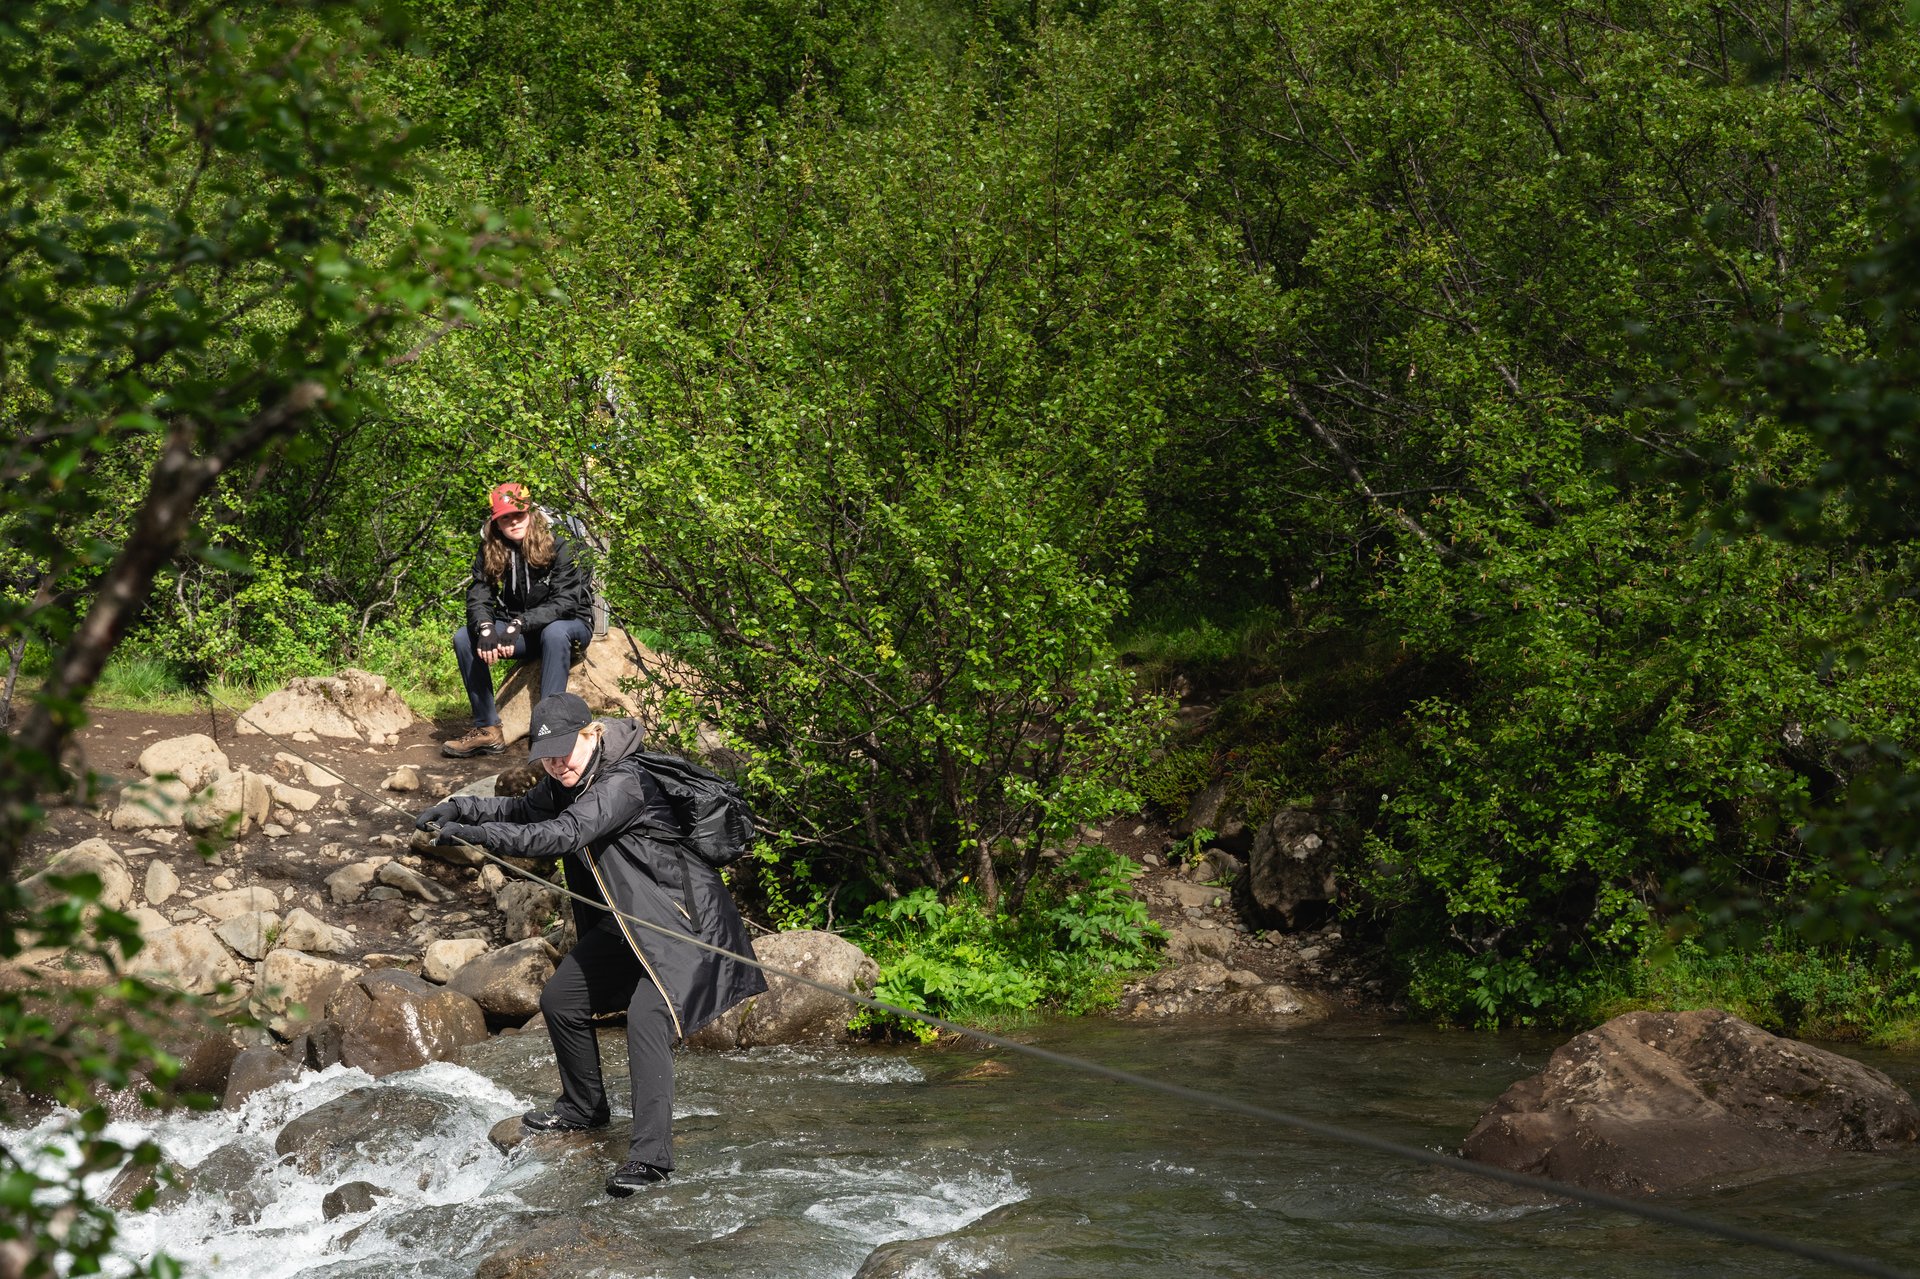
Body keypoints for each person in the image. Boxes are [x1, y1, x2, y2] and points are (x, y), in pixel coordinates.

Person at [414, 693, 767, 1196]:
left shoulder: (623, 783)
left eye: (566, 752)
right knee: (561, 1000)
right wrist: (458, 805)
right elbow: (519, 808)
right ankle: (584, 1109)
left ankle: (651, 1160)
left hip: (685, 927)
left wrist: (476, 835)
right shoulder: (570, 778)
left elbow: (560, 835)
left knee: (648, 1017)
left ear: (592, 733)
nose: (558, 766)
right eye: (548, 757)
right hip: (629, 926)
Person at [444, 482, 596, 758]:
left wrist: (518, 625)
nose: (513, 522)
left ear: (530, 512)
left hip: (569, 624)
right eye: (505, 518)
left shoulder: (561, 541)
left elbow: (566, 602)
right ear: (496, 521)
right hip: (522, 629)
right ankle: (488, 730)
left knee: (555, 633)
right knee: (464, 637)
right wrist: (487, 628)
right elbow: (479, 593)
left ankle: (550, 730)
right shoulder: (492, 546)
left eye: (518, 515)